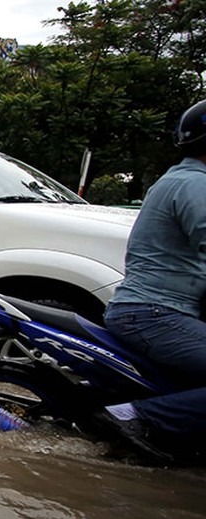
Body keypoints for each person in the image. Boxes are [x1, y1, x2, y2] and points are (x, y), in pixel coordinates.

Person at [99, 98, 206, 462]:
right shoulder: (194, 186)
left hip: (160, 311)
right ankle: (136, 417)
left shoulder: (181, 180)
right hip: (154, 312)